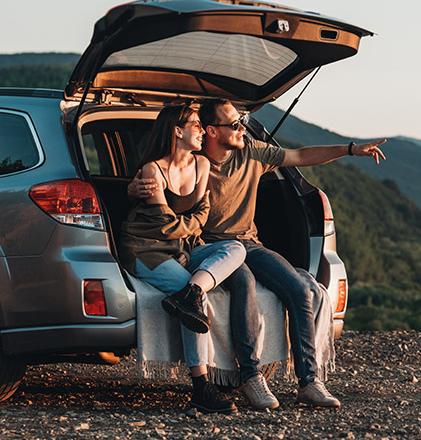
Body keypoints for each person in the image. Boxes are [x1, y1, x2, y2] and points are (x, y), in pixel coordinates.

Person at [131, 99, 386, 410]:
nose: (242, 128)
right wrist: (134, 187)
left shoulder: (251, 151)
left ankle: (310, 381)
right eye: (234, 124)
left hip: (248, 243)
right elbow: (164, 178)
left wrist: (350, 149)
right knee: (244, 284)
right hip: (207, 246)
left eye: (241, 122)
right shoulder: (194, 158)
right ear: (211, 130)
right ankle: (252, 377)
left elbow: (300, 155)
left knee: (299, 288)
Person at [120, 105, 247, 414]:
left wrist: (186, 252)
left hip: (181, 248)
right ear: (177, 130)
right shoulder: (153, 170)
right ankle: (202, 388)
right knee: (199, 306)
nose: (203, 130)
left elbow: (201, 217)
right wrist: (185, 235)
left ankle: (190, 292)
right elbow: (165, 223)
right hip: (145, 248)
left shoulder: (202, 164)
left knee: (236, 250)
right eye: (196, 125)